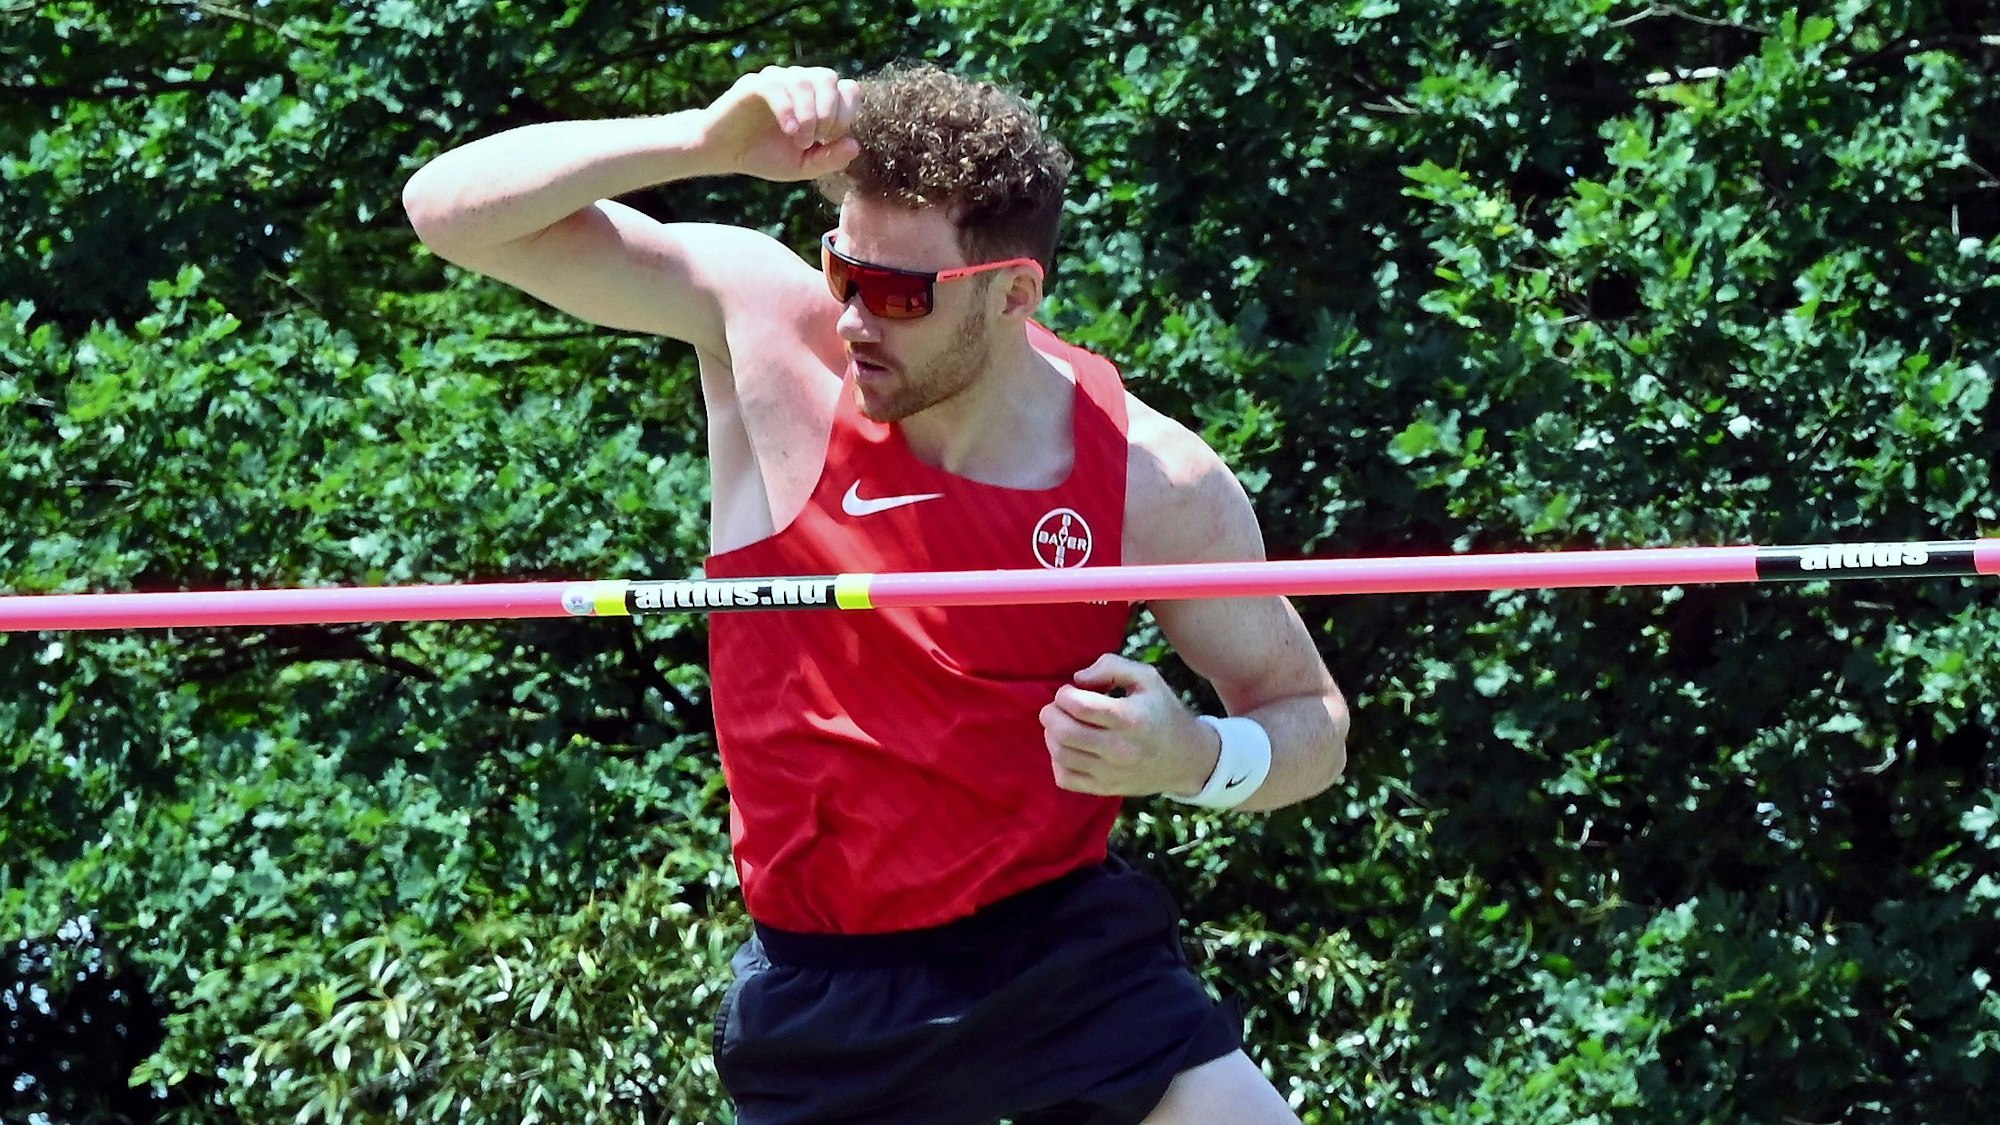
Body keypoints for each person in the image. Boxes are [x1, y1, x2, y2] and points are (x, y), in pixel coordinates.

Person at [403, 62, 1349, 1125]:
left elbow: (1307, 720)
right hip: (831, 995)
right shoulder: (768, 328)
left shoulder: (1153, 479)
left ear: (1011, 292)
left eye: (898, 295)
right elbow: (447, 214)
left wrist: (1194, 759)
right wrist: (703, 142)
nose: (854, 316)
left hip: (1067, 964)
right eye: (842, 270)